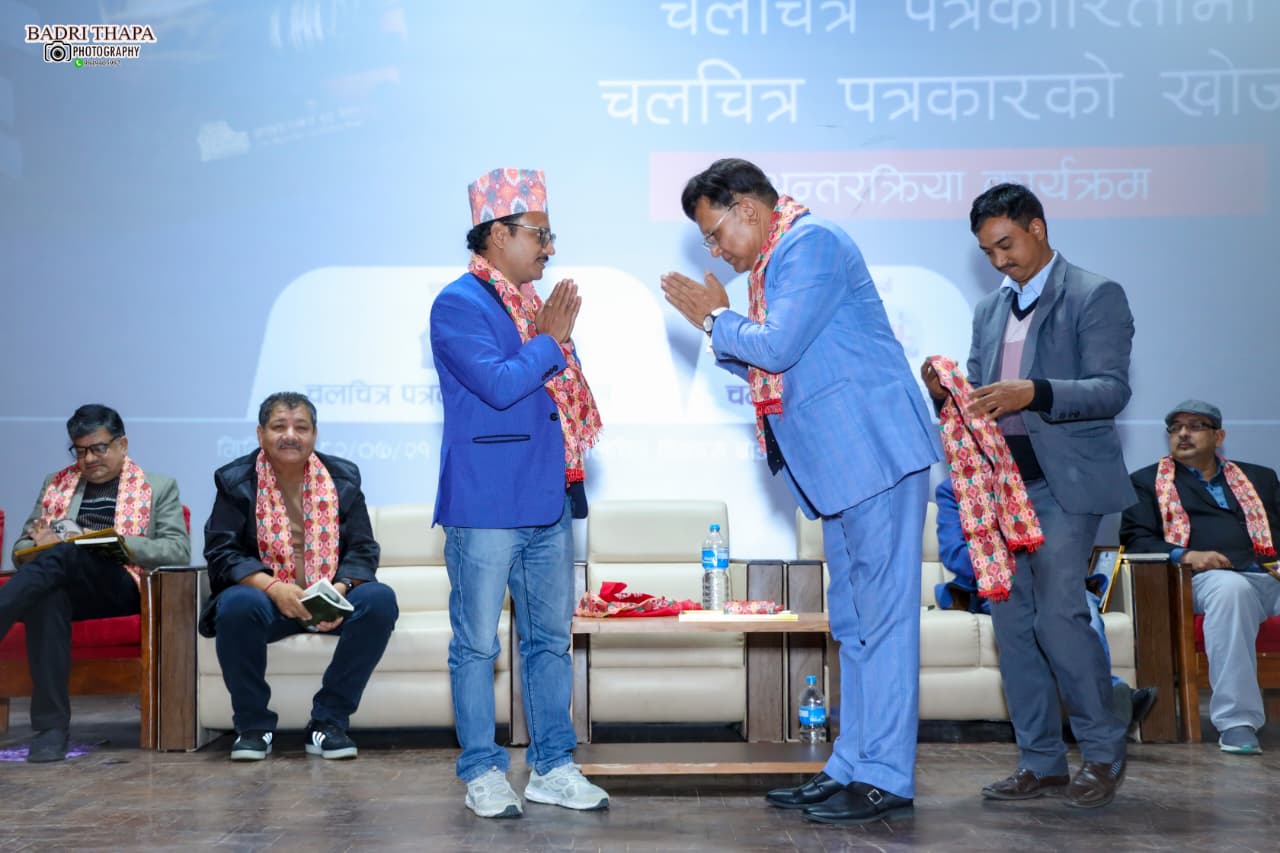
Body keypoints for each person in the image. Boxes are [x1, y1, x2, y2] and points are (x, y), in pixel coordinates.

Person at [661, 158, 942, 825]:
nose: (715, 249)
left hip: (873, 455)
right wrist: (723, 324)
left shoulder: (811, 244)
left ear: (749, 210)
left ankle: (886, 775)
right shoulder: (774, 264)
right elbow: (773, 359)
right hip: (840, 469)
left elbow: (779, 346)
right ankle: (851, 764)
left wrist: (716, 319)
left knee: (884, 622)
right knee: (853, 624)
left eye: (714, 233)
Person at [921, 183, 1136, 808]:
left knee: (1059, 616)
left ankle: (1102, 752)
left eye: (1006, 244)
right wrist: (944, 392)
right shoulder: (989, 310)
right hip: (999, 488)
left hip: (1065, 485)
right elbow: (978, 398)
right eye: (988, 252)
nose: (999, 260)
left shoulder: (1094, 293)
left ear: (1037, 228)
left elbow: (1111, 389)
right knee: (1012, 623)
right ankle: (1041, 762)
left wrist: (1034, 391)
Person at [430, 167, 608, 818]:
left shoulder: (532, 305)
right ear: (498, 233)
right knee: (477, 644)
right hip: (485, 504)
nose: (550, 247)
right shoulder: (458, 303)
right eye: (540, 233)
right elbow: (501, 384)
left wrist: (548, 336)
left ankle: (553, 766)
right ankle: (482, 770)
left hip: (547, 497)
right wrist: (550, 340)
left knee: (549, 641)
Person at [201, 392, 398, 761]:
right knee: (237, 604)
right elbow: (222, 552)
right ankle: (253, 727)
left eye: (301, 428)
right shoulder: (234, 481)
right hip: (268, 603)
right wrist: (273, 588)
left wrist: (338, 590)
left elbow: (363, 550)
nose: (290, 435)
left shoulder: (343, 478)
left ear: (314, 434)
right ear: (260, 433)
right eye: (279, 426)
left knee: (379, 599)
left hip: (328, 600)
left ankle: (328, 722)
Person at [3, 404, 189, 762]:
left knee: (65, 554)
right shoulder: (56, 484)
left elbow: (177, 550)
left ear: (122, 444)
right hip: (64, 581)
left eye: (98, 448)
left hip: (121, 585)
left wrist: (110, 541)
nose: (88, 459)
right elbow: (21, 549)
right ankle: (51, 730)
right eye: (80, 451)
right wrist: (42, 544)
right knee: (47, 594)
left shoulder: (158, 486)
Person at [932, 479, 1158, 733]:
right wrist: (1015, 564)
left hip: (1053, 580)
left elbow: (1066, 544)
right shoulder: (955, 488)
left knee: (1081, 610)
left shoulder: (1043, 481)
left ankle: (1105, 707)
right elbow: (954, 553)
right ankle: (1109, 698)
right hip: (996, 583)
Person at [1120, 399, 1280, 755]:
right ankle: (1237, 722)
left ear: (1218, 436)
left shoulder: (1260, 478)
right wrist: (1188, 556)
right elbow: (1136, 539)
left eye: (1194, 426)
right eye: (1175, 428)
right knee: (1232, 590)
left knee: (1240, 587)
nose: (1183, 434)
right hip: (1201, 581)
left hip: (1268, 574)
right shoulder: (1146, 482)